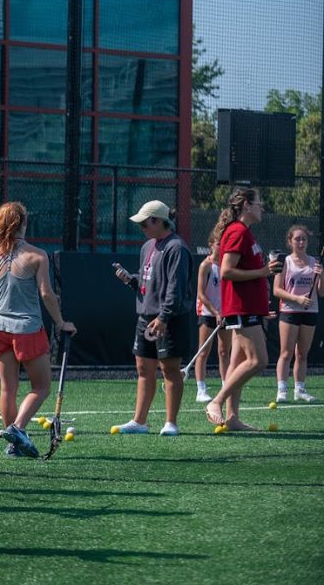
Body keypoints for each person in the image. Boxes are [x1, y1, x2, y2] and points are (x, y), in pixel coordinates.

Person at [0, 201, 75, 458]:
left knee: (7, 389)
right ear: (23, 223)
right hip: (27, 328)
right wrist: (60, 322)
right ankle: (18, 429)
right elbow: (47, 294)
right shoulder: (37, 255)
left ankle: (14, 443)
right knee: (42, 386)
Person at [110, 200, 194, 437]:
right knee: (143, 368)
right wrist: (131, 280)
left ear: (158, 221)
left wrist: (164, 317)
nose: (142, 228)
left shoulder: (176, 248)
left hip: (169, 319)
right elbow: (149, 283)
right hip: (146, 317)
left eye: (145, 223)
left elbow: (175, 289)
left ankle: (171, 422)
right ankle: (139, 421)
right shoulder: (147, 247)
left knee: (170, 369)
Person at [205, 187, 283, 430]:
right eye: (259, 202)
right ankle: (215, 401)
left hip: (247, 308)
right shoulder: (237, 231)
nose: (262, 207)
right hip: (241, 308)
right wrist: (263, 272)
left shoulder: (244, 232)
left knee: (237, 362)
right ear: (247, 205)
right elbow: (226, 271)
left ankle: (233, 418)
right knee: (258, 360)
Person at [273, 224, 321, 403]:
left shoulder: (315, 262)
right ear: (290, 241)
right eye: (297, 239)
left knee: (302, 353)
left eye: (304, 239)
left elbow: (321, 292)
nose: (301, 242)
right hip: (289, 311)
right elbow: (277, 290)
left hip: (310, 311)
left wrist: (321, 276)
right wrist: (297, 299)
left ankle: (300, 389)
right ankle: (282, 390)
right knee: (286, 353)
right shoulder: (285, 261)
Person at [194, 237, 231, 403]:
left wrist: (224, 311)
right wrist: (216, 312)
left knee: (224, 352)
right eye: (218, 243)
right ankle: (201, 390)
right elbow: (201, 294)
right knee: (203, 352)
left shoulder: (227, 265)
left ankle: (226, 387)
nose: (221, 246)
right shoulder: (206, 265)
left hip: (225, 314)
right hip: (207, 314)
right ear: (210, 245)